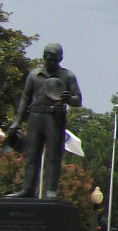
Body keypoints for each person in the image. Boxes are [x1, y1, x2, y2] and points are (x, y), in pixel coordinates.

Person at [5, 43, 82, 199]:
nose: (51, 63)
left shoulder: (67, 76)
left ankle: (50, 190)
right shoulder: (34, 75)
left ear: (61, 58)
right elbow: (25, 98)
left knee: (53, 156)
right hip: (35, 117)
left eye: (55, 60)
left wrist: (69, 99)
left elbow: (78, 100)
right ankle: (27, 189)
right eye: (49, 59)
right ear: (43, 57)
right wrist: (17, 121)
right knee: (31, 154)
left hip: (54, 118)